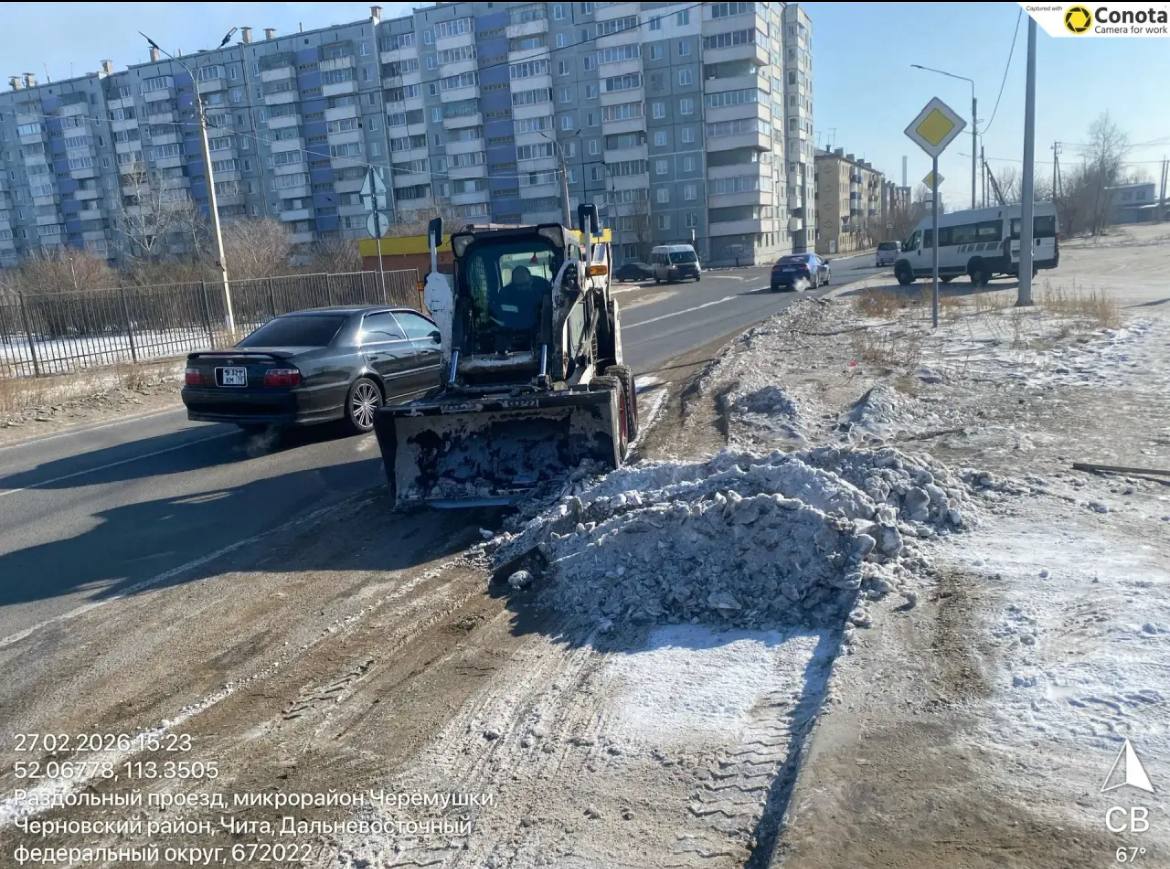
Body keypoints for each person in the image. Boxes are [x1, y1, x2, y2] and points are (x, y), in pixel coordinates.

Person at [492, 264, 551, 332]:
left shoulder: (544, 296)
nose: (523, 288)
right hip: (513, 332)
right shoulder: (506, 298)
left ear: (531, 281)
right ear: (513, 285)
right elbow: (501, 319)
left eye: (525, 284)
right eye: (519, 286)